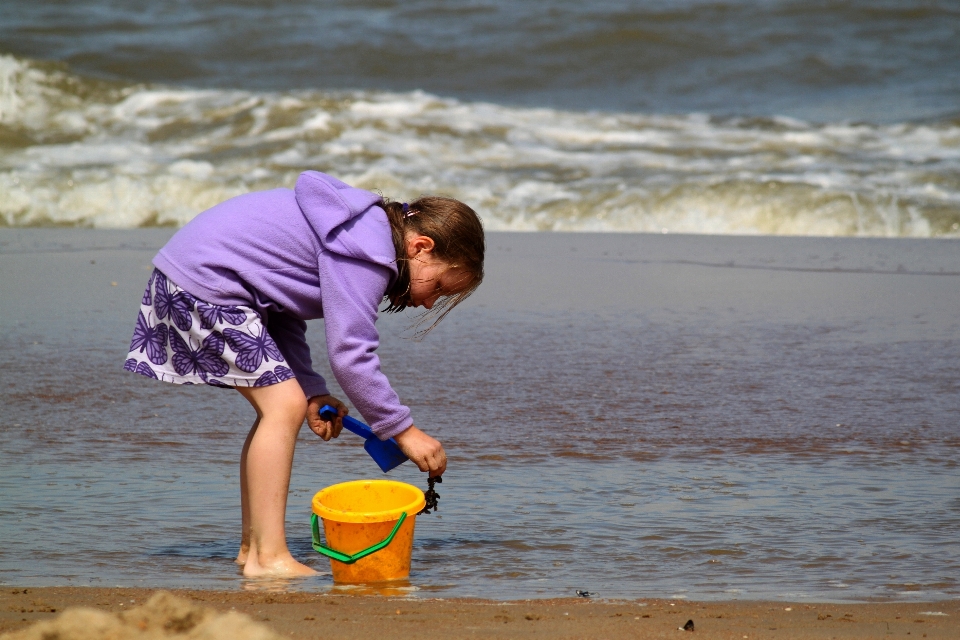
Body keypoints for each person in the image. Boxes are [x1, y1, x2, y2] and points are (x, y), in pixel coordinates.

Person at [122, 170, 484, 577]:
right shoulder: (368, 251)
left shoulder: (358, 234)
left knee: (286, 404)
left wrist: (312, 389)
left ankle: (253, 547)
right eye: (436, 288)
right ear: (420, 246)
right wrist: (402, 430)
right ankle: (270, 559)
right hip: (205, 283)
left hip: (199, 278)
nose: (426, 304)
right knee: (283, 407)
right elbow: (350, 353)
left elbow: (278, 306)